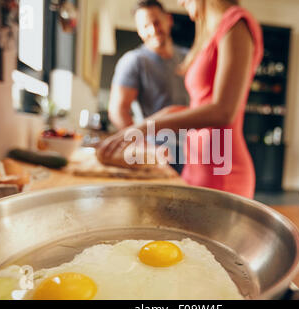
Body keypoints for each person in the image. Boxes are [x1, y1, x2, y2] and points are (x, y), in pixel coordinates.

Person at [98, 0, 263, 199]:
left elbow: (224, 111)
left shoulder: (235, 23)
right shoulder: (209, 32)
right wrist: (140, 130)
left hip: (220, 170)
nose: (180, 2)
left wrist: (145, 127)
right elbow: (196, 106)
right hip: (195, 164)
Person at [108, 0, 189, 129]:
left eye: (157, 22)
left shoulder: (189, 56)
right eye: (145, 26)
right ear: (139, 31)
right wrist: (142, 144)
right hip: (157, 144)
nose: (153, 30)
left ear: (169, 20)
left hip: (194, 142)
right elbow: (118, 111)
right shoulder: (133, 61)